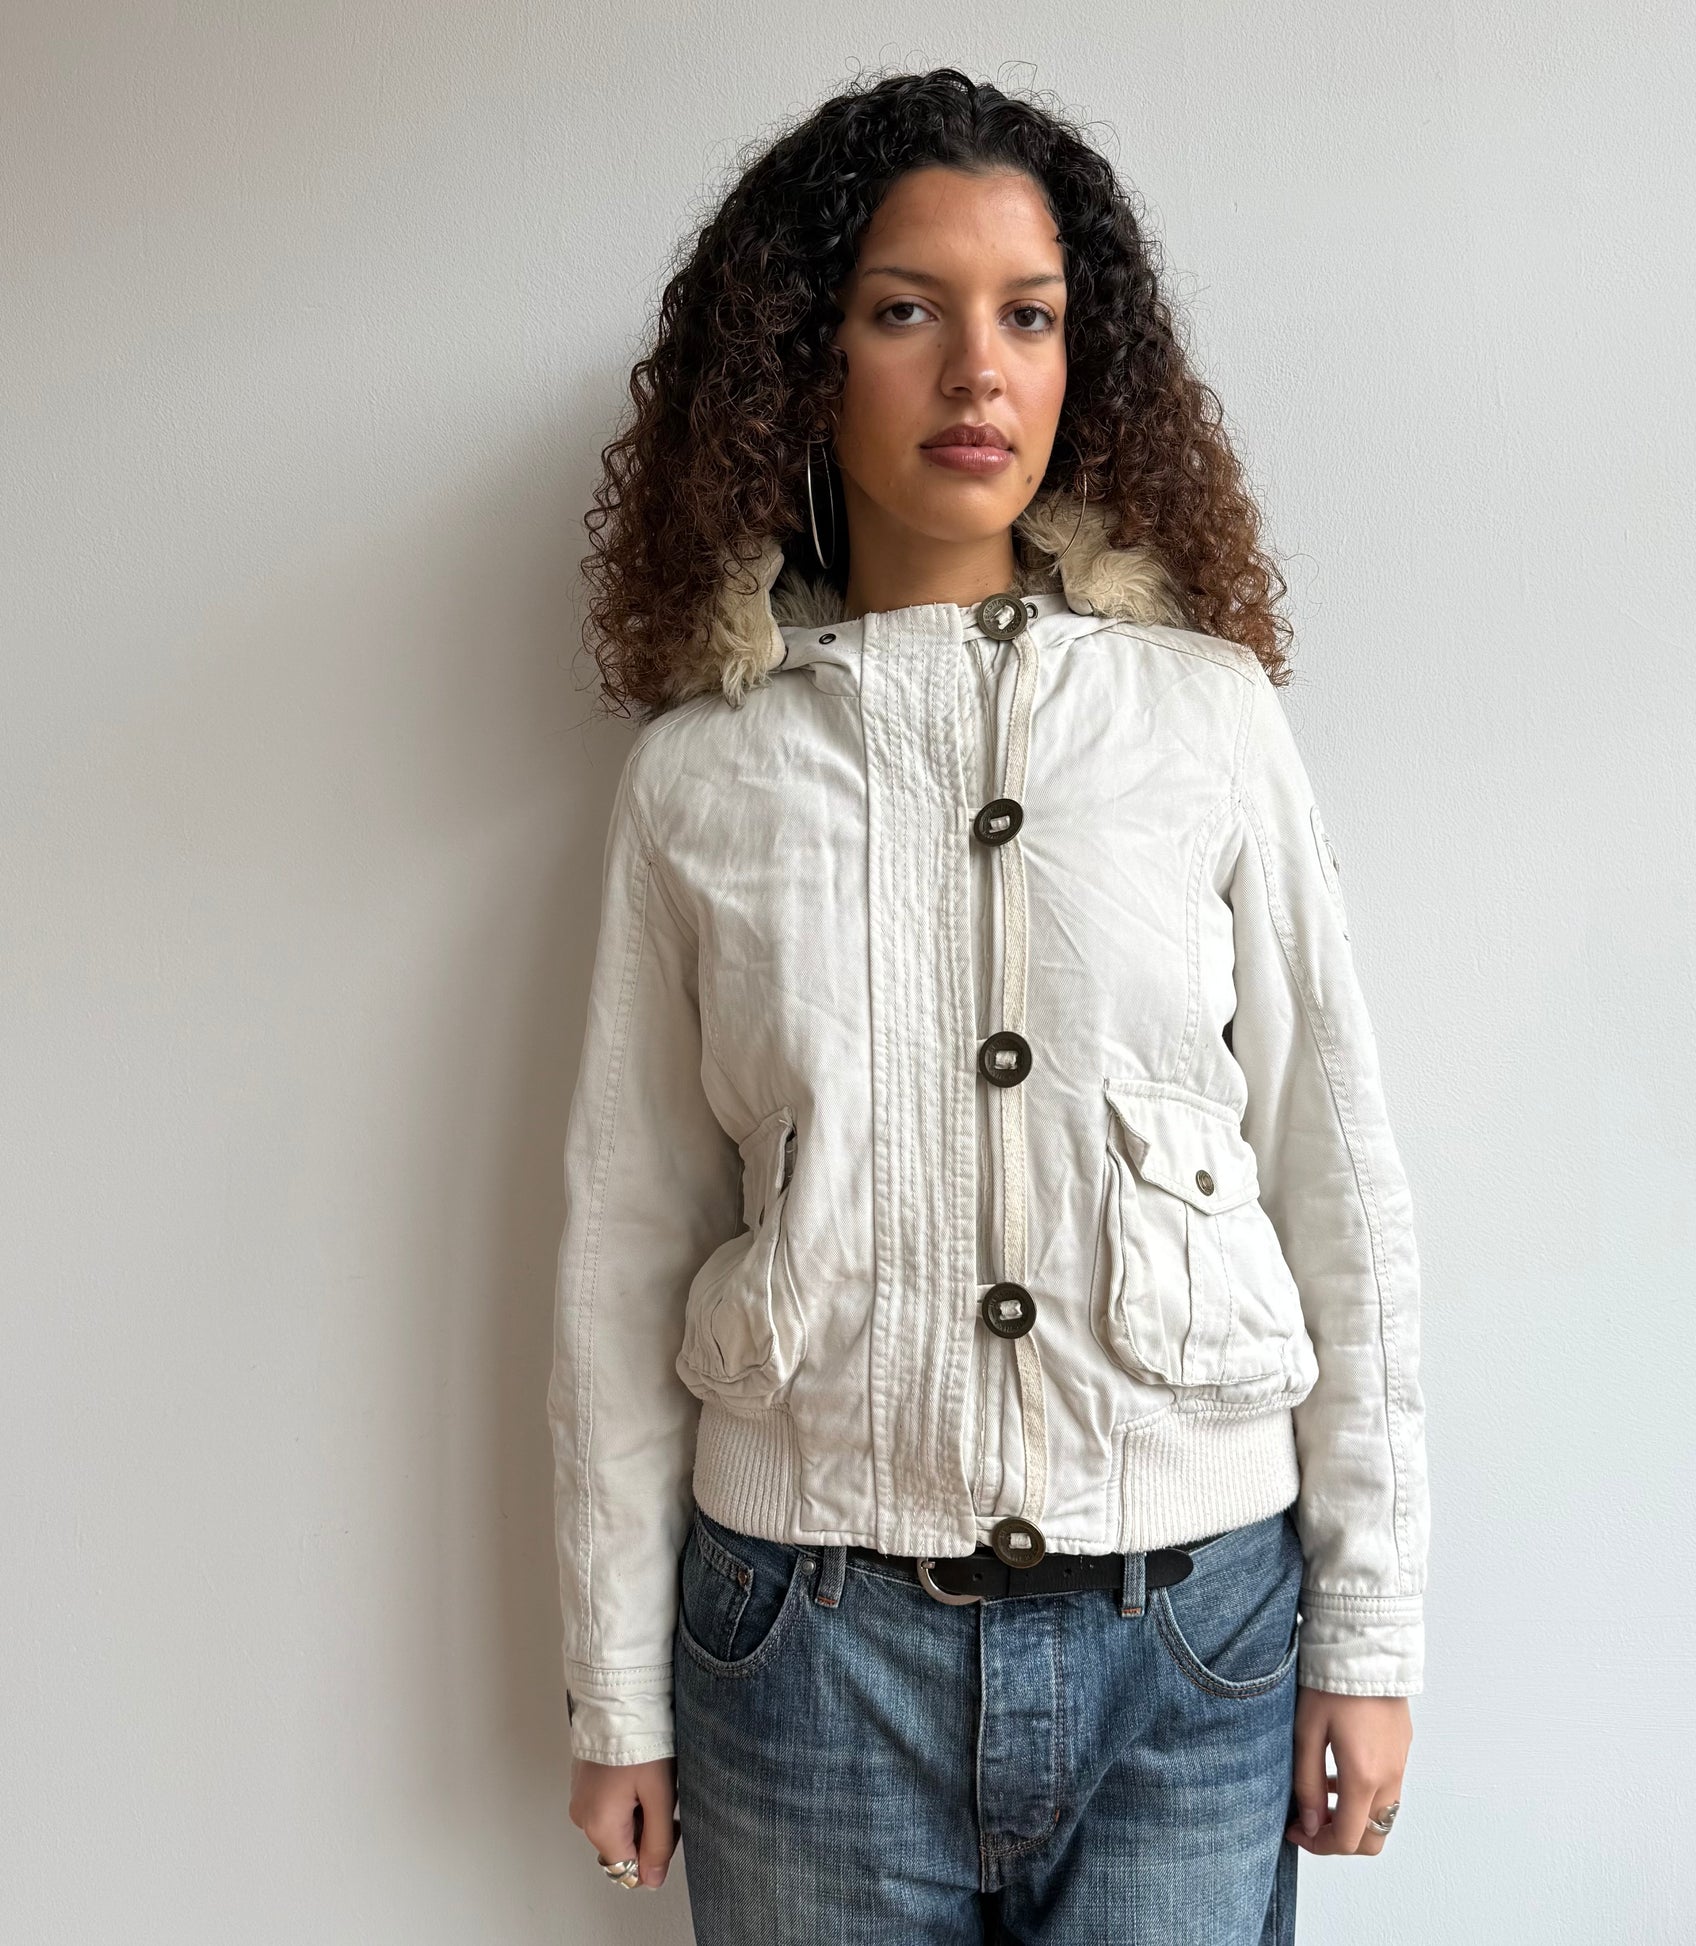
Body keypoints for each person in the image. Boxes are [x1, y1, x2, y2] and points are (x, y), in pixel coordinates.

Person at [547, 66, 1428, 1944]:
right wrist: (615, 1684)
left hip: (1191, 1636)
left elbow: (1334, 1179)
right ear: (801, 361)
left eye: (1027, 315)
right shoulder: (700, 774)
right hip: (809, 1647)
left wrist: (1368, 1627)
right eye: (904, 311)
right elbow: (629, 1241)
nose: (977, 371)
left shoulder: (1205, 721)